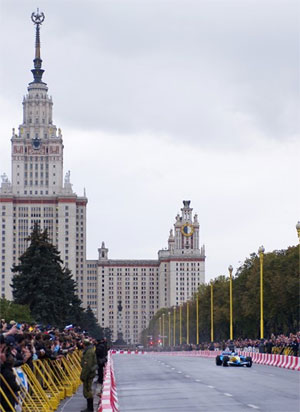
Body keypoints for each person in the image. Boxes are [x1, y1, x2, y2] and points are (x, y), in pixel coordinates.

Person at [80, 339, 97, 412]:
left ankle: (90, 409)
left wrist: (83, 376)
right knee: (87, 390)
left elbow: (87, 366)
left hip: (88, 374)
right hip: (90, 373)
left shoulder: (88, 352)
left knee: (87, 390)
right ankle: (89, 408)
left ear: (84, 345)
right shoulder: (90, 350)